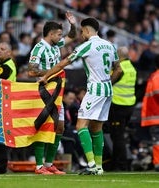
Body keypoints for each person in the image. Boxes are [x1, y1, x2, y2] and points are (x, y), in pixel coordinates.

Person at [38, 17, 120, 175]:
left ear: (88, 30)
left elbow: (64, 63)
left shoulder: (87, 45)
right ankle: (99, 166)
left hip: (95, 88)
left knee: (80, 126)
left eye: (82, 31)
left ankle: (91, 165)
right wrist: (107, 82)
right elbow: (118, 69)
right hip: (108, 89)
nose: (82, 34)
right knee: (96, 128)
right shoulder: (110, 46)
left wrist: (46, 76)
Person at [27, 11, 77, 175]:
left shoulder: (56, 45)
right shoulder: (39, 48)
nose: (61, 37)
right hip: (44, 92)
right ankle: (39, 166)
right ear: (50, 34)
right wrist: (52, 72)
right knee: (44, 128)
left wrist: (73, 24)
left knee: (59, 128)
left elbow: (72, 36)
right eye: (58, 34)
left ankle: (49, 164)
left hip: (57, 92)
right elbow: (31, 72)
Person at [108, 46, 137, 171]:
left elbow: (108, 81)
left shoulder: (120, 68)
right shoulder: (132, 68)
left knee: (117, 136)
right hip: (129, 105)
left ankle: (121, 165)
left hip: (118, 105)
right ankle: (117, 164)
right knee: (119, 135)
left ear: (119, 56)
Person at [0, 42, 17, 174]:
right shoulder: (2, 65)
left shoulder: (6, 67)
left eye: (2, 49)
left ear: (9, 53)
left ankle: (0, 167)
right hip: (1, 105)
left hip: (2, 105)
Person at [141, 54, 159, 171]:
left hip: (155, 116)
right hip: (156, 116)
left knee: (157, 140)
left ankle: (158, 163)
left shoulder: (155, 76)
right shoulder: (156, 76)